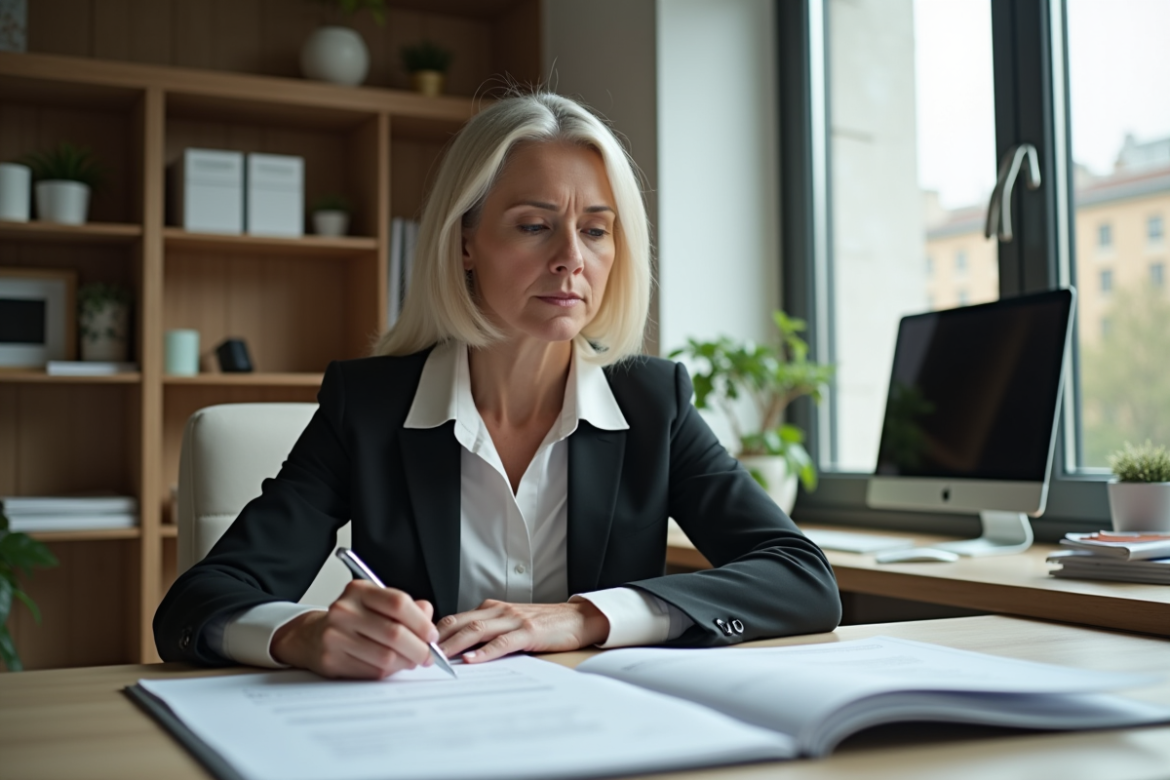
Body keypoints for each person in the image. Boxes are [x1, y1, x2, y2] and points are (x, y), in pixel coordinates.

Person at [154, 92, 840, 679]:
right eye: (535, 226)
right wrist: (298, 635)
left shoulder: (651, 404)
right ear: (465, 242)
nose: (572, 258)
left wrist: (585, 617)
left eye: (596, 231)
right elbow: (198, 604)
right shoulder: (367, 408)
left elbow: (801, 578)